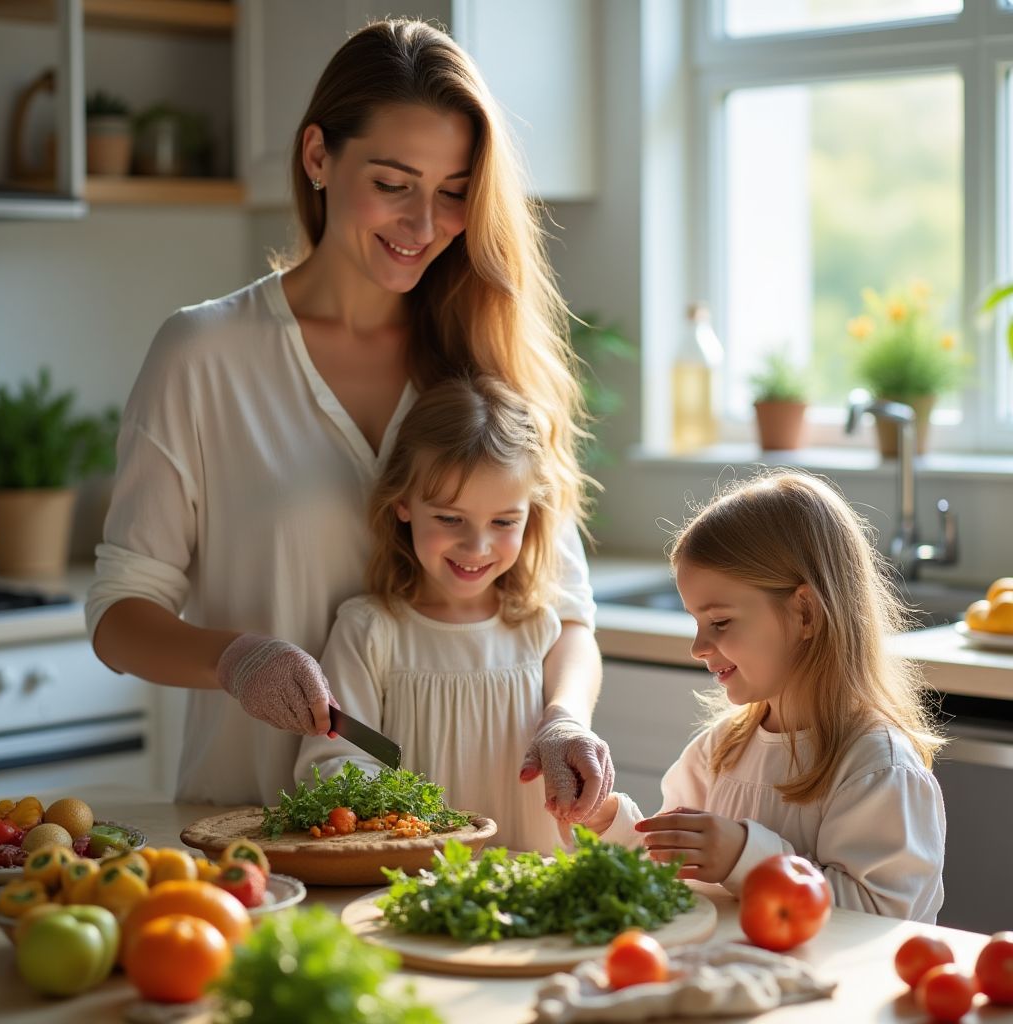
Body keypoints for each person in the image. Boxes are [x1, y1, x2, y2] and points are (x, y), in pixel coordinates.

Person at [85, 18, 612, 814]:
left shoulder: (484, 365)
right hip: (254, 839)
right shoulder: (204, 354)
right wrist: (234, 658)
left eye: (455, 193)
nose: (424, 224)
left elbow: (565, 612)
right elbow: (120, 616)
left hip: (462, 848)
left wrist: (565, 717)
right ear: (318, 157)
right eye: (394, 184)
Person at [580, 471, 946, 923]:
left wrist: (745, 858)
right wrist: (612, 823)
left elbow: (881, 920)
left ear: (806, 612)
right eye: (697, 622)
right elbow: (676, 869)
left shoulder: (877, 767)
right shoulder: (720, 750)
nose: (697, 647)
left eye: (720, 622)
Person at [295, 375, 611, 851]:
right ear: (403, 504)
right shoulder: (371, 631)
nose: (476, 546)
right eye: (449, 518)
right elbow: (335, 761)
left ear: (532, 515)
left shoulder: (539, 628)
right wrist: (411, 816)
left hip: (529, 886)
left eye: (504, 521)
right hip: (411, 890)